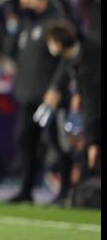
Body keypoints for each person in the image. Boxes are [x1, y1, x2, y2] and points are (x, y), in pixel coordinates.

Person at [5, 0, 71, 203]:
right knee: (25, 141)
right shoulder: (27, 24)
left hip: (48, 98)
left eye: (29, 0)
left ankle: (65, 192)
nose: (24, 5)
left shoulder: (56, 21)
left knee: (58, 143)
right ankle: (26, 191)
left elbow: (66, 58)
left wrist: (56, 87)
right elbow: (9, 51)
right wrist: (13, 25)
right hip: (27, 96)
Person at [44, 20, 101, 200]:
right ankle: (77, 194)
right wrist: (55, 88)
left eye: (51, 41)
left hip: (95, 111)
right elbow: (63, 74)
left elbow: (93, 100)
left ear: (59, 43)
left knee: (90, 156)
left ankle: (84, 194)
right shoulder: (72, 55)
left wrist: (92, 140)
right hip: (89, 109)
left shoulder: (90, 56)